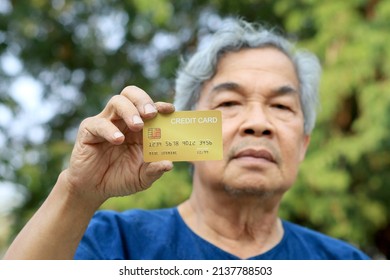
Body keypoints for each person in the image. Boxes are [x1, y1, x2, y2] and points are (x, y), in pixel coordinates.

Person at [3, 18, 370, 260]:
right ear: (185, 127)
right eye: (229, 102)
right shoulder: (110, 243)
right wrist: (77, 192)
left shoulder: (343, 263)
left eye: (281, 106)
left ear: (303, 144)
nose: (258, 123)